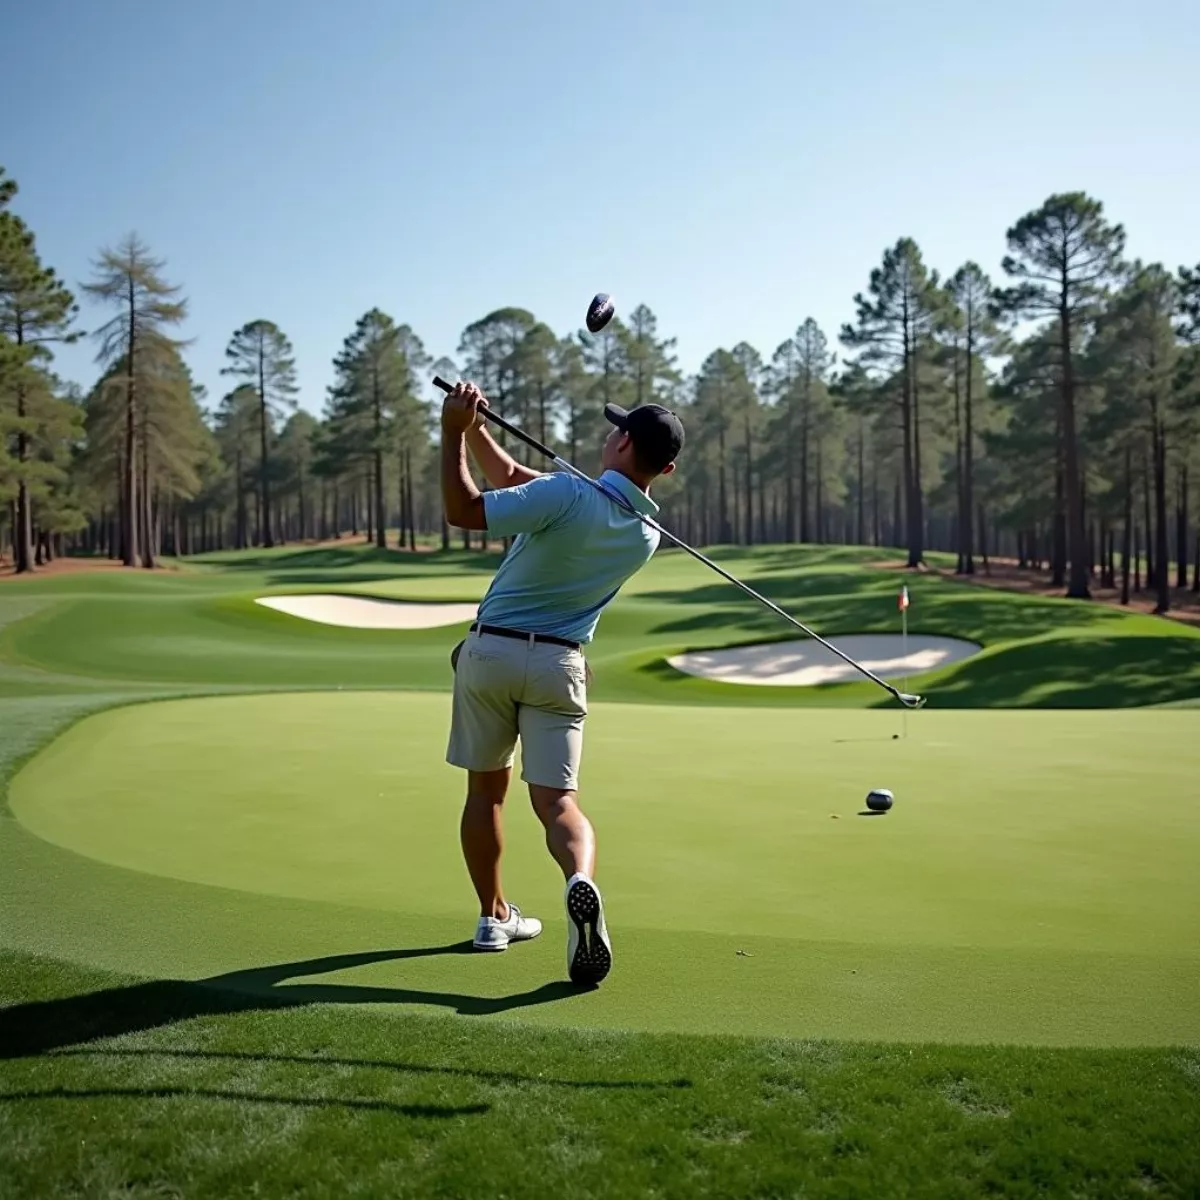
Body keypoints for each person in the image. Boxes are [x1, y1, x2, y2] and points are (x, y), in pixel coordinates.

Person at [439, 380, 684, 985]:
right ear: (667, 467)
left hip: (491, 653)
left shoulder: (565, 494)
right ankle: (580, 882)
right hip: (561, 666)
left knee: (485, 793)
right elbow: (521, 478)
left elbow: (464, 510)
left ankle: (493, 918)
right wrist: (478, 431)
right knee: (557, 804)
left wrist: (450, 435)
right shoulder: (644, 535)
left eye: (615, 428)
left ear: (622, 441)